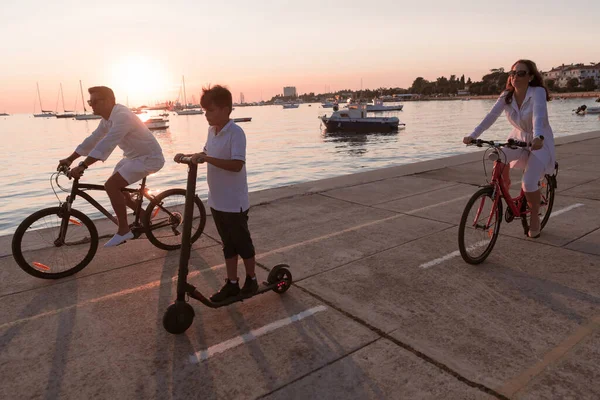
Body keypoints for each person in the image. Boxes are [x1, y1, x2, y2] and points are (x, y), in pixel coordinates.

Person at [176, 85, 257, 301]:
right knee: (227, 244)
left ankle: (252, 278)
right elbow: (206, 153)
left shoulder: (236, 133)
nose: (206, 115)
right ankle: (232, 283)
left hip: (234, 202)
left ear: (225, 109)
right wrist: (192, 155)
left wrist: (207, 159)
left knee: (242, 243)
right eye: (204, 111)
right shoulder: (212, 131)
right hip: (217, 200)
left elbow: (236, 165)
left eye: (209, 110)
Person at [57, 86, 165, 247]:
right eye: (89, 101)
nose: (91, 105)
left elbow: (107, 144)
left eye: (94, 101)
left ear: (108, 101)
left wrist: (83, 165)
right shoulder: (107, 119)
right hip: (132, 157)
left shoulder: (122, 116)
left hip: (149, 158)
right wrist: (70, 158)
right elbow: (93, 139)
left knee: (111, 185)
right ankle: (144, 215)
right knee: (120, 191)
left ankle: (123, 230)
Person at [463, 59, 556, 238]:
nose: (515, 76)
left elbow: (538, 116)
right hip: (518, 137)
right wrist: (473, 135)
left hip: (539, 140)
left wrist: (538, 137)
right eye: (512, 73)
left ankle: (535, 216)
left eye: (521, 73)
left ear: (530, 77)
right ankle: (503, 184)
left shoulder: (537, 93)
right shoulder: (507, 95)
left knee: (529, 182)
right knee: (497, 153)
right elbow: (491, 116)